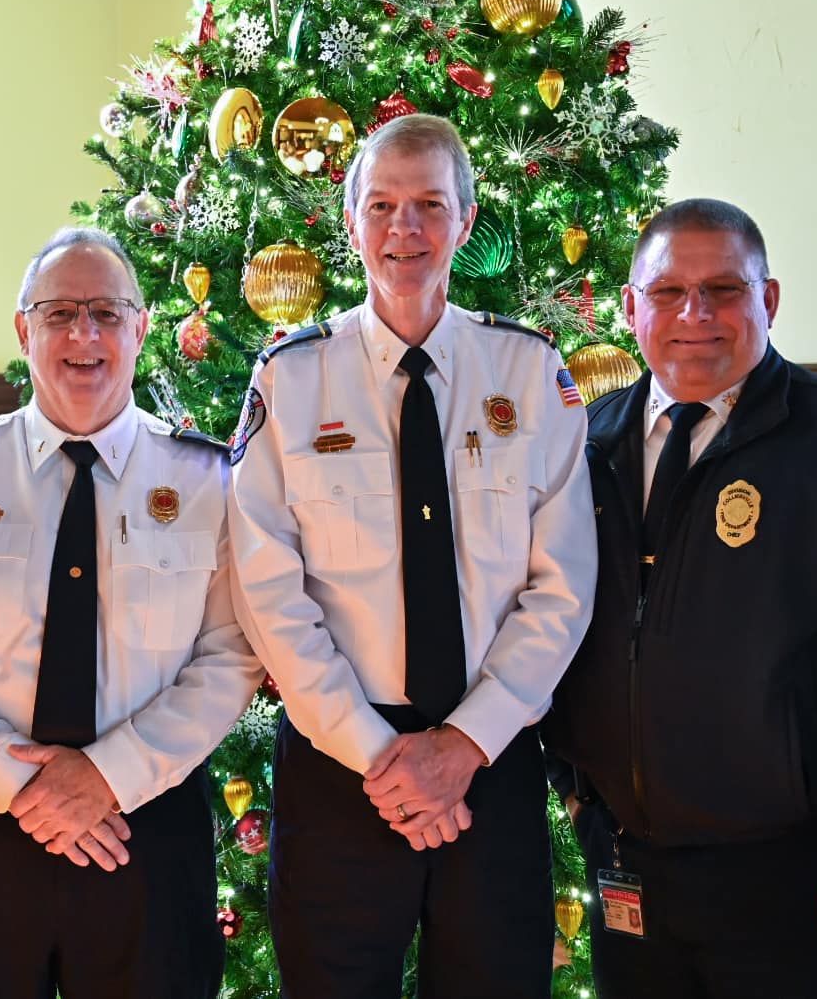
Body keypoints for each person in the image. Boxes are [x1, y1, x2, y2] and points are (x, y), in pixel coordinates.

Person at [541, 198, 817, 998]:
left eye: (724, 290)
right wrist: (581, 789)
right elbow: (546, 629)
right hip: (635, 881)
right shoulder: (582, 449)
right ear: (631, 307)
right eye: (667, 292)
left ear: (767, 301)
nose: (694, 314)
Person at [226, 113, 598, 997]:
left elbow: (565, 586)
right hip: (340, 771)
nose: (406, 229)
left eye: (431, 204)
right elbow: (266, 587)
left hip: (492, 762)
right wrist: (379, 755)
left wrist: (463, 746)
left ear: (465, 223)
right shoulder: (292, 377)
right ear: (350, 220)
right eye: (383, 205)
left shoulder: (529, 375)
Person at [0, 227, 263, 998]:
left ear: (142, 327)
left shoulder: (209, 481)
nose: (83, 334)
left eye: (106, 313)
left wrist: (108, 776)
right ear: (25, 330)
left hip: (144, 828)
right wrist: (16, 783)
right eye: (58, 313)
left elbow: (232, 653)